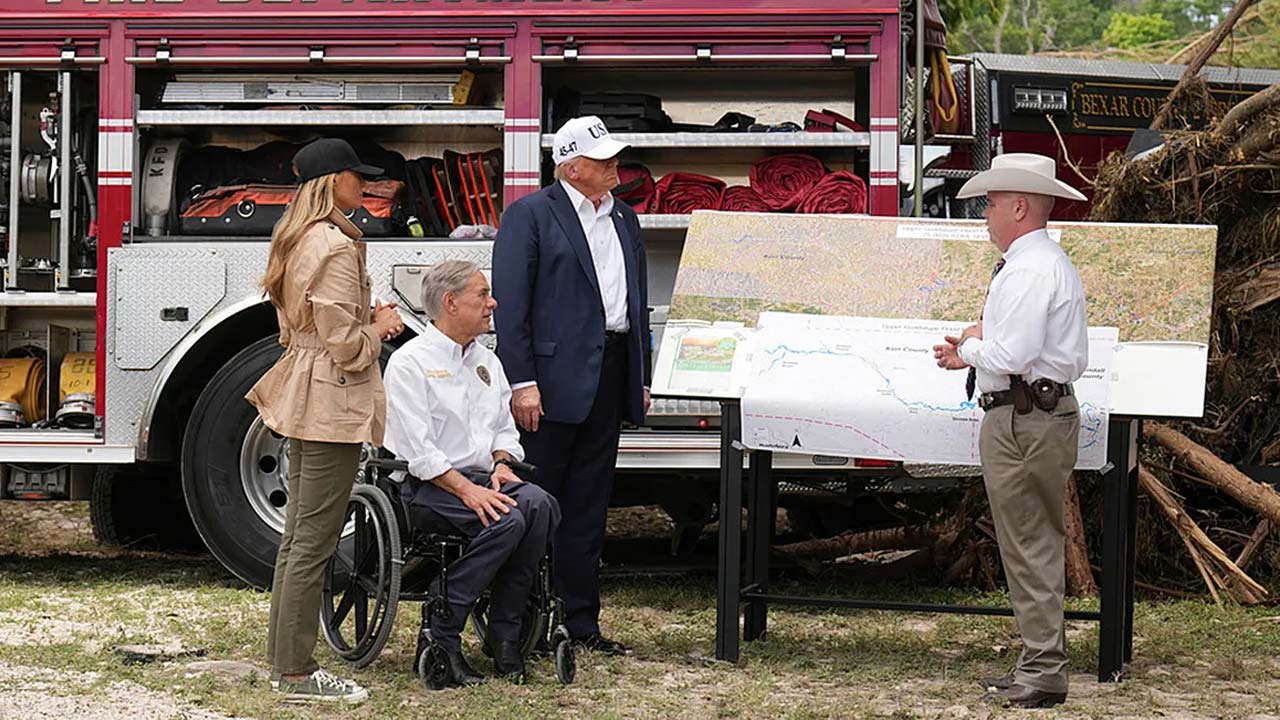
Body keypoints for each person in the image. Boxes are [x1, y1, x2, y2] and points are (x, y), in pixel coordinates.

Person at [247, 138, 404, 705]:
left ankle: (284, 664)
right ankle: (295, 673)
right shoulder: (335, 246)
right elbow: (346, 346)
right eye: (356, 175)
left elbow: (311, 327)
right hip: (329, 401)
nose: (365, 183)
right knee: (313, 541)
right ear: (333, 181)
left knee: (298, 539)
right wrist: (379, 326)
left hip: (306, 392)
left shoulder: (300, 236)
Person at [932, 153, 1088, 709]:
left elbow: (1013, 354)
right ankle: (1038, 664)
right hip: (1030, 414)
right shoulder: (1039, 264)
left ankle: (1043, 670)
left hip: (1025, 419)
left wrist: (973, 346)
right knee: (1029, 541)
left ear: (1019, 207)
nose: (986, 214)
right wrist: (977, 347)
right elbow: (1018, 348)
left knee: (1029, 544)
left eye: (992, 203)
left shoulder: (1028, 269)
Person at [491, 116, 651, 655]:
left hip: (609, 370)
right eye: (603, 159)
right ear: (571, 166)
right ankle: (525, 624)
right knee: (538, 502)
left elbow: (635, 303)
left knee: (589, 505)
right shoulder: (531, 215)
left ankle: (581, 623)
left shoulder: (623, 217)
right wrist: (522, 382)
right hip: (551, 381)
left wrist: (639, 376)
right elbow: (511, 306)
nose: (614, 166)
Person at [383, 260, 560, 687]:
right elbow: (419, 451)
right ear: (450, 302)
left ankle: (505, 632)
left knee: (540, 505)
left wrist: (502, 464)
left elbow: (503, 429)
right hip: (427, 486)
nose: (492, 303)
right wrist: (468, 491)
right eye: (482, 294)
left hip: (482, 478)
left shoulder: (487, 361)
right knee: (506, 519)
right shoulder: (410, 362)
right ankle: (442, 629)